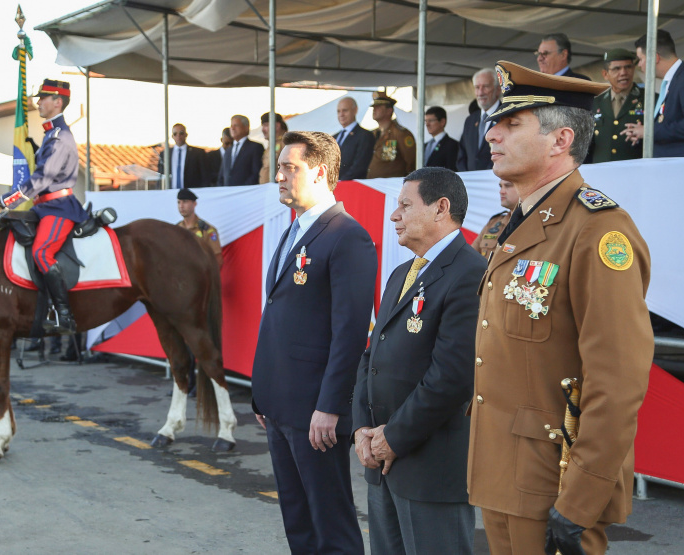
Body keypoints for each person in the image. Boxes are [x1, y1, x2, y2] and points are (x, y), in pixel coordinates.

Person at [469, 60, 653, 555]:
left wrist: (579, 502)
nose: (493, 135)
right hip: (502, 476)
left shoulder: (596, 230)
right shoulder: (520, 223)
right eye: (495, 124)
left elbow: (617, 381)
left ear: (560, 140)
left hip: (554, 486)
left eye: (511, 125)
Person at [251, 131, 377, 554]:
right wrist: (262, 395)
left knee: (331, 523)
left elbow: (350, 333)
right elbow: (279, 317)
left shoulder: (347, 236)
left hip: (315, 411)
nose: (280, 177)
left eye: (291, 168)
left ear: (320, 172)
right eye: (280, 167)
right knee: (298, 521)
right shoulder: (295, 231)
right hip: (281, 403)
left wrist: (330, 406)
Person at [353, 167, 484, 555]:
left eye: (405, 205)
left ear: (441, 208)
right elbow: (371, 355)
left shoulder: (470, 274)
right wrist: (362, 429)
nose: (395, 215)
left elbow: (452, 377)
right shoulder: (401, 274)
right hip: (381, 463)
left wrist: (392, 438)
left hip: (430, 471)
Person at [0, 78, 89, 334]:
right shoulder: (50, 135)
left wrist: (7, 201)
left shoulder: (59, 137)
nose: (38, 102)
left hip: (59, 207)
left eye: (44, 98)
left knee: (42, 253)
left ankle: (64, 315)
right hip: (43, 207)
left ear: (58, 102)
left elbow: (42, 179)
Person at [175, 187, 222, 396]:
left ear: (194, 204)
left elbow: (217, 260)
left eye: (185, 202)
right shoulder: (175, 229)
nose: (182, 206)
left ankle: (204, 386)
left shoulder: (206, 230)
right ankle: (186, 384)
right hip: (179, 293)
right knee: (180, 339)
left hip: (200, 294)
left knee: (201, 338)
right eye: (179, 202)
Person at [624, 30, 684, 157]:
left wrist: (649, 131)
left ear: (655, 57)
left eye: (641, 59)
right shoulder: (675, 79)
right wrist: (642, 132)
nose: (640, 65)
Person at [591, 49, 645, 163]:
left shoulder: (649, 99)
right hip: (602, 173)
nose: (623, 72)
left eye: (628, 67)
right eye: (616, 69)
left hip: (635, 171)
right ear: (605, 74)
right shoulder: (595, 102)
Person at [457, 68, 501, 172]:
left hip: (498, 183)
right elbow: (462, 156)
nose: (480, 93)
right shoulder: (470, 120)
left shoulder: (508, 117)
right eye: (477, 87)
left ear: (498, 89)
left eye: (485, 87)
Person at [470, 179, 519, 258]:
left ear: (522, 188)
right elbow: (470, 257)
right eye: (501, 186)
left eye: (507, 186)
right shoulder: (493, 222)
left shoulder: (531, 221)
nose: (501, 191)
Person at [334, 96, 375, 180]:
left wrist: (340, 182)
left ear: (355, 110)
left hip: (350, 186)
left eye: (345, 110)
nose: (341, 114)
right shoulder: (334, 137)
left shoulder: (364, 135)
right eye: (338, 111)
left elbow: (359, 166)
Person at [157, 123, 210, 188]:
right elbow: (160, 176)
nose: (178, 136)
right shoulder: (165, 154)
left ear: (186, 135)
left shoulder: (198, 153)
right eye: (175, 134)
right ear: (172, 136)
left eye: (181, 133)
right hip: (170, 193)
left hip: (191, 193)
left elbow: (205, 176)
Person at [217, 115, 264, 186]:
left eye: (236, 125)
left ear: (246, 128)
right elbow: (222, 176)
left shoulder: (255, 147)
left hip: (246, 193)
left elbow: (256, 173)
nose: (232, 128)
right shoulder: (228, 151)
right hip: (228, 194)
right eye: (231, 126)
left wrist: (242, 190)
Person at [422, 106, 459, 170]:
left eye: (431, 120)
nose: (427, 124)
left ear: (442, 122)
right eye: (426, 121)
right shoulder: (424, 145)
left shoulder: (452, 145)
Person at [259, 112, 287, 184]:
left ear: (277, 126)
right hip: (266, 189)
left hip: (278, 189)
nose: (262, 130)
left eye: (265, 125)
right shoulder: (271, 144)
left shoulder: (286, 142)